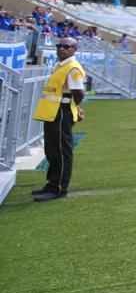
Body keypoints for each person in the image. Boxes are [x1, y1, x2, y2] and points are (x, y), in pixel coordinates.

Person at [32, 37, 87, 201]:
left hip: (62, 112)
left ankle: (59, 188)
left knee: (62, 151)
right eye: (59, 45)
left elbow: (78, 93)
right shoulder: (61, 65)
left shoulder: (73, 68)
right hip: (52, 112)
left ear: (74, 49)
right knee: (52, 150)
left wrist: (75, 108)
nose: (61, 48)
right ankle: (51, 183)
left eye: (66, 46)